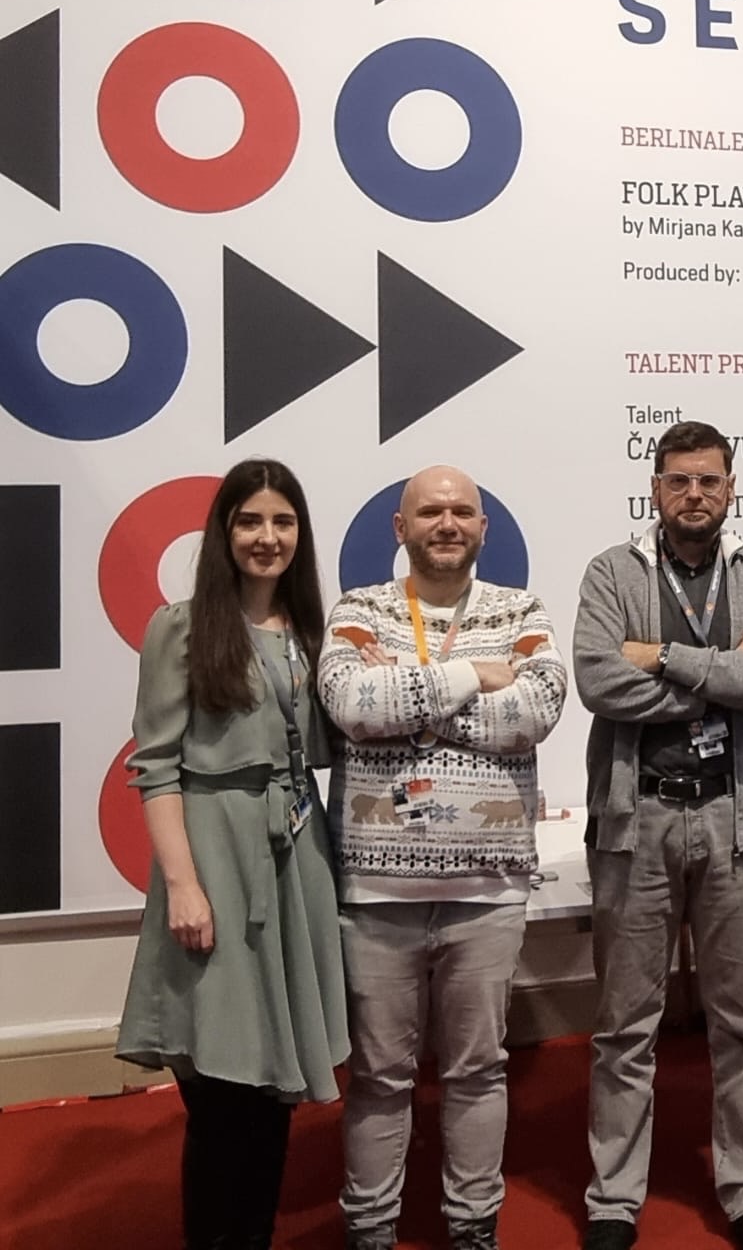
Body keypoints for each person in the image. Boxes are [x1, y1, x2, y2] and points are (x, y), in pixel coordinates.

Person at [317, 465, 569, 1250]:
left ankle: (471, 1226)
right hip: (374, 891)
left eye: (463, 511)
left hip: (487, 890)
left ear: (484, 527)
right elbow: (351, 705)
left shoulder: (520, 609)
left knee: (477, 1069)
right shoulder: (359, 610)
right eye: (431, 511)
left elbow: (535, 711)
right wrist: (469, 676)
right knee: (377, 1076)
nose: (448, 523)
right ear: (402, 528)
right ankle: (370, 1228)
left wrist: (413, 700)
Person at [574, 421, 743, 1250]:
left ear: (731, 489)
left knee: (741, 1018)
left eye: (709, 480)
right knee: (624, 1026)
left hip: (732, 820)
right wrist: (720, 674)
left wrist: (661, 655)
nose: (695, 494)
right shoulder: (612, 571)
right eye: (679, 480)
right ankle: (613, 1199)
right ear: (656, 489)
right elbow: (599, 680)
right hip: (636, 821)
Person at [116, 459, 348, 1250]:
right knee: (220, 1087)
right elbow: (156, 768)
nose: (266, 537)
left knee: (276, 1086)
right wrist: (184, 886)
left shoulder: (312, 631)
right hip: (215, 857)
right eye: (250, 520)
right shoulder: (181, 628)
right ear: (224, 531)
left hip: (297, 858)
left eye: (282, 521)